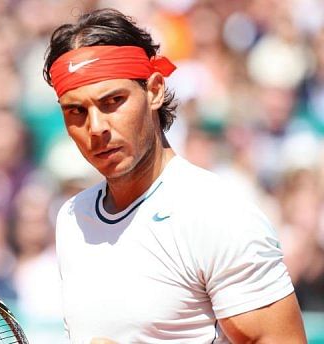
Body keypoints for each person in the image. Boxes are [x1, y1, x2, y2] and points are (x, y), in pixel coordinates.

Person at [43, 8, 306, 344]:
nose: (96, 128)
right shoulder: (71, 218)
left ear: (153, 91)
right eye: (76, 111)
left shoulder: (217, 212)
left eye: (112, 101)